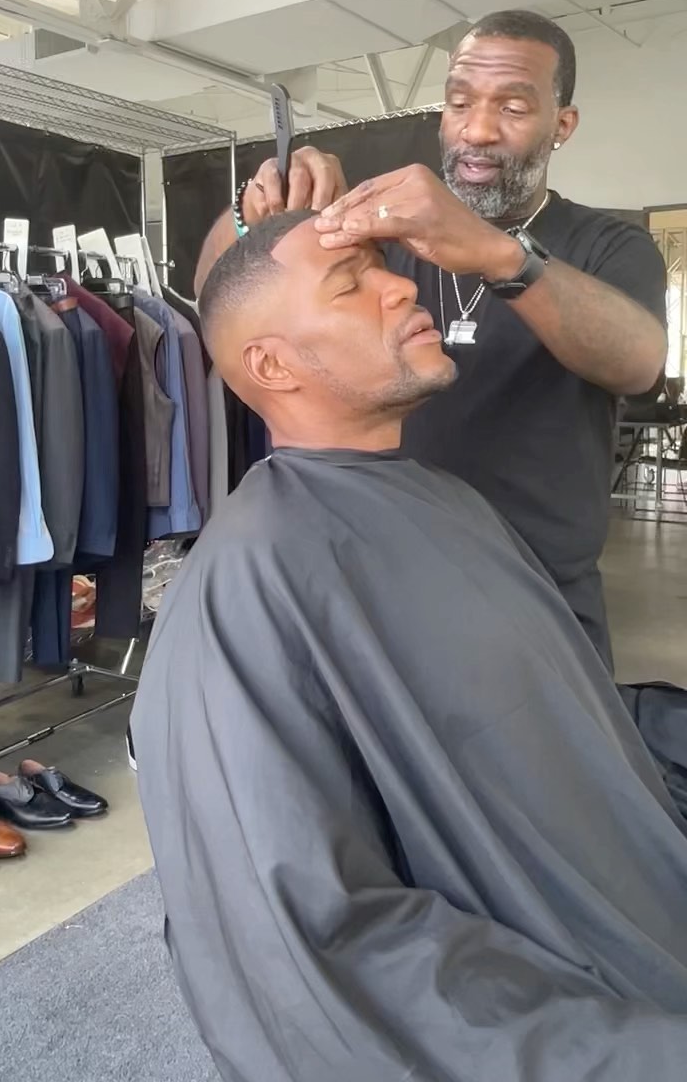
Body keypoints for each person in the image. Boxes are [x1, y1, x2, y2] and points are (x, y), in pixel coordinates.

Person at [134, 208, 687, 1082]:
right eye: (351, 283)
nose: (401, 286)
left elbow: (547, 712)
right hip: (575, 1005)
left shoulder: (451, 502)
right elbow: (311, 940)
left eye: (386, 266)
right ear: (271, 365)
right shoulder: (248, 586)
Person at [197, 10, 667, 671]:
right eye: (459, 103)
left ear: (562, 125)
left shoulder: (607, 244)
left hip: (538, 598)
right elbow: (222, 291)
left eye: (512, 107)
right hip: (380, 582)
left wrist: (499, 255)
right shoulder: (388, 228)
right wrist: (254, 209)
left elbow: (639, 364)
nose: (477, 130)